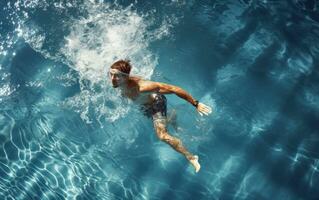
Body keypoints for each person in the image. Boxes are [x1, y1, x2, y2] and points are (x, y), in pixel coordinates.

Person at [108, 59, 212, 173]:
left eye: (117, 76)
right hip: (145, 106)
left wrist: (195, 103)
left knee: (162, 135)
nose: (112, 79)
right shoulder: (120, 83)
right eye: (111, 74)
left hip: (156, 102)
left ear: (125, 77)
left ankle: (191, 157)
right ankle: (172, 118)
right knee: (162, 122)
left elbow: (173, 89)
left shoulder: (142, 87)